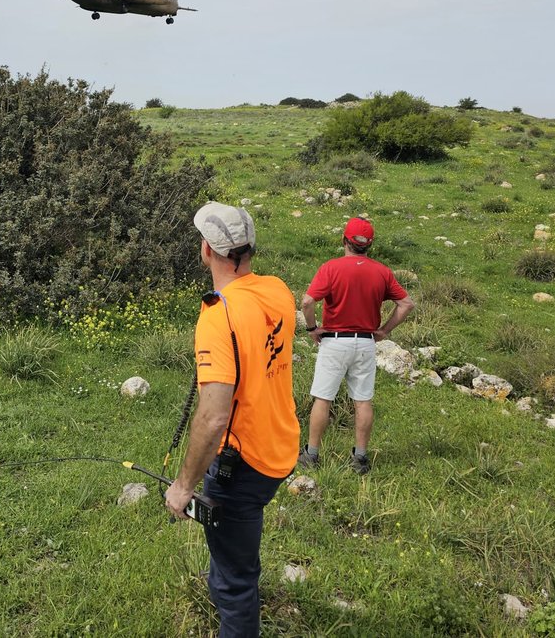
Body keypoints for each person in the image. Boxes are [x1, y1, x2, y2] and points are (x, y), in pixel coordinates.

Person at [165, 202, 298, 638]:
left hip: (243, 463)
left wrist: (183, 486)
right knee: (234, 548)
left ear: (206, 249)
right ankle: (223, 574)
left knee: (237, 582)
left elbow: (214, 414)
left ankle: (230, 596)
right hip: (281, 446)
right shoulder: (277, 290)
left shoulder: (217, 314)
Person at [298, 216, 415, 474]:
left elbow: (307, 302)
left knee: (323, 398)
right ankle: (360, 458)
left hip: (335, 342)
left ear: (344, 240)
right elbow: (406, 304)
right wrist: (384, 330)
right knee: (363, 401)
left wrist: (311, 328)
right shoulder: (382, 271)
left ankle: (312, 454)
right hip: (365, 343)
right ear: (369, 245)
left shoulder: (330, 268)